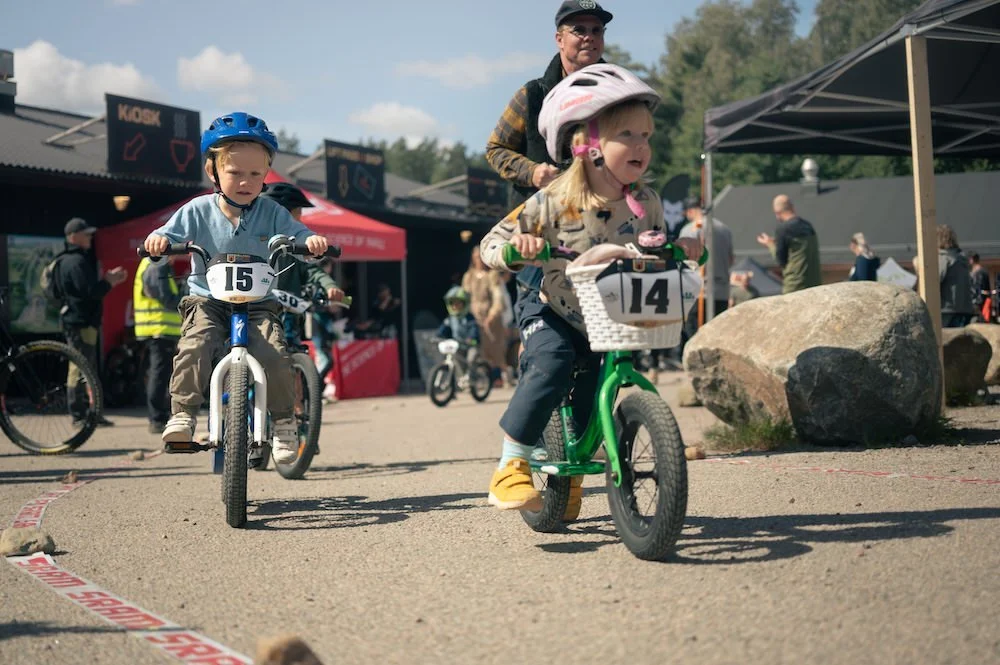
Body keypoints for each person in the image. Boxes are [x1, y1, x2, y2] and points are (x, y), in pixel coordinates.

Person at [478, 64, 703, 517]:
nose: (641, 146)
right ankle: (511, 465)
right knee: (552, 361)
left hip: (608, 315)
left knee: (591, 396)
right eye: (628, 135)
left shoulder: (646, 202)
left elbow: (655, 245)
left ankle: (572, 476)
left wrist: (681, 247)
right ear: (588, 145)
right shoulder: (554, 200)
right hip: (552, 308)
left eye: (646, 135)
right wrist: (518, 250)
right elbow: (490, 244)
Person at [143, 112, 342, 463]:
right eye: (235, 172)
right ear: (213, 171)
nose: (246, 182)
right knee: (195, 345)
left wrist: (312, 242)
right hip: (207, 300)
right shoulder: (197, 210)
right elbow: (164, 235)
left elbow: (299, 234)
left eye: (255, 174)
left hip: (259, 303)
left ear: (266, 175)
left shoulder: (273, 212)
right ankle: (183, 414)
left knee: (275, 355)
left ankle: (284, 423)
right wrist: (158, 242)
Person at [485, 1, 615, 319]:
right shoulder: (531, 95)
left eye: (597, 30)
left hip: (603, 235)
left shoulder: (620, 96)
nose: (589, 37)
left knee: (600, 338)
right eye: (579, 30)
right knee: (545, 337)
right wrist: (532, 172)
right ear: (559, 39)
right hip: (540, 240)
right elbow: (496, 148)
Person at [58, 217, 127, 426]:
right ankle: (80, 414)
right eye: (86, 234)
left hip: (80, 322)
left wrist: (107, 281)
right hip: (80, 323)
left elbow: (86, 291)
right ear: (73, 237)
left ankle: (91, 413)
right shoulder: (75, 262)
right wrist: (109, 282)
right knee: (80, 368)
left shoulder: (71, 260)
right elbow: (90, 292)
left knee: (84, 367)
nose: (90, 237)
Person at [258, 182, 345, 346]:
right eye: (298, 212)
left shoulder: (295, 246)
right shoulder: (253, 240)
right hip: (255, 313)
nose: (300, 218)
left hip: (288, 316)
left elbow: (312, 270)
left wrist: (329, 286)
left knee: (291, 350)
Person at [133, 253, 185, 434]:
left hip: (157, 328)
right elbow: (164, 297)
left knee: (159, 373)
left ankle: (159, 416)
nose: (174, 258)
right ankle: (157, 418)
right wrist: (184, 299)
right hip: (158, 328)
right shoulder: (156, 264)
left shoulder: (154, 264)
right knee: (159, 374)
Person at [756, 194, 821, 294]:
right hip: (814, 284)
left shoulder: (783, 229)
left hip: (796, 285)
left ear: (777, 213)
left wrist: (770, 244)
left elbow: (781, 260)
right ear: (792, 207)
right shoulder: (808, 226)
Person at [462, 247, 508, 386]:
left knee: (495, 350)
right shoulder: (469, 276)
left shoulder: (492, 275)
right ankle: (481, 380)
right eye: (476, 257)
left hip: (490, 317)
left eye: (481, 257)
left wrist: (492, 314)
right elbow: (464, 296)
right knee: (477, 350)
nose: (479, 260)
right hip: (474, 317)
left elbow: (497, 296)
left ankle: (503, 377)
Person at [938, 225, 975, 328]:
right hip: (965, 309)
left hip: (947, 310)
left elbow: (933, 281)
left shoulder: (943, 259)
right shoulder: (962, 259)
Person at [969, 252, 991, 322]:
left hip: (978, 305)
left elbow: (979, 289)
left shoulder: (978, 272)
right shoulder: (982, 272)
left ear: (971, 260)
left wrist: (976, 303)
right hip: (982, 303)